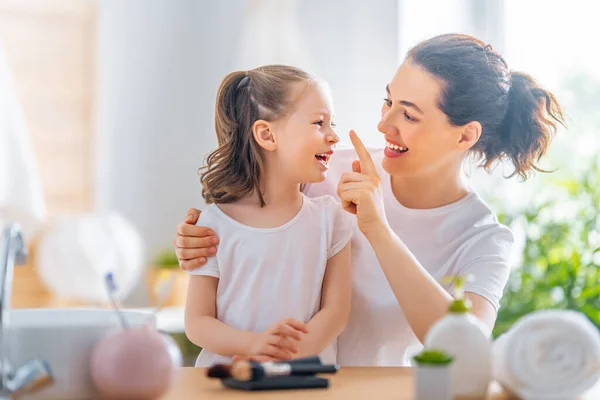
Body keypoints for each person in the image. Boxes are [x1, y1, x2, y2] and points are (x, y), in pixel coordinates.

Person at [175, 34, 565, 366]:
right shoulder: (325, 171)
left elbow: (466, 353)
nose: (383, 124)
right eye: (388, 101)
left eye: (409, 115)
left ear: (464, 137)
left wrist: (379, 232)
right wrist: (200, 240)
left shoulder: (483, 238)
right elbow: (248, 231)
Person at [183, 65, 354, 367]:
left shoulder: (331, 219)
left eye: (333, 123)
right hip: (228, 384)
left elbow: (336, 312)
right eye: (319, 123)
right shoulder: (213, 224)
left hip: (304, 383)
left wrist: (291, 355)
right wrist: (256, 345)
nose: (334, 136)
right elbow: (197, 323)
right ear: (267, 134)